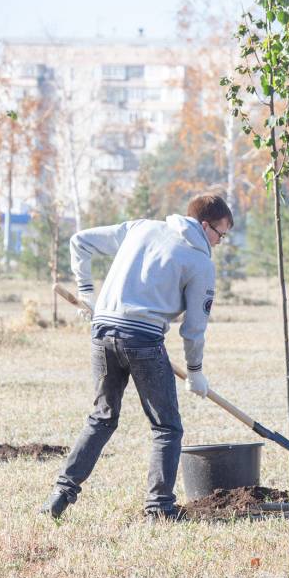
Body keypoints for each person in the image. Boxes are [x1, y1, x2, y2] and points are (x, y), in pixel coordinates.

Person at [40, 194, 233, 520]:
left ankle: (60, 493)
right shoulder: (200, 262)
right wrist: (195, 370)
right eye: (220, 234)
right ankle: (159, 508)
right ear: (204, 225)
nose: (220, 241)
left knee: (101, 418)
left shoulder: (141, 228)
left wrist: (87, 289)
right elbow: (194, 329)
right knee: (167, 428)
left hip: (102, 334)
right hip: (143, 341)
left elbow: (80, 241)